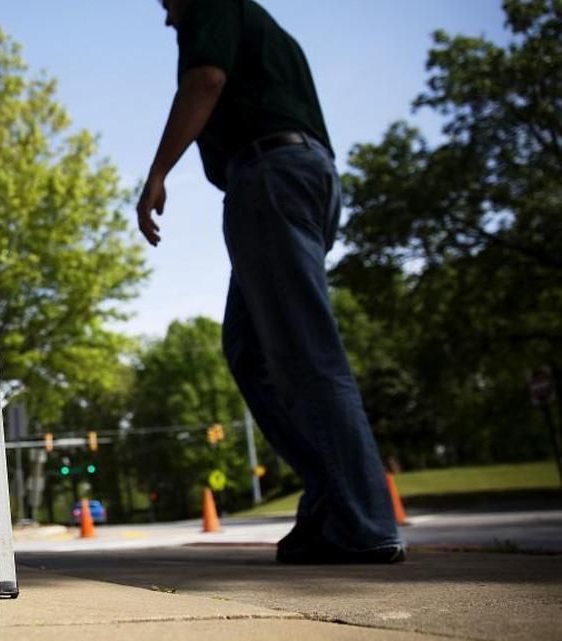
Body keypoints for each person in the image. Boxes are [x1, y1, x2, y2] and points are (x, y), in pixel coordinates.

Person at [136, 0, 405, 563]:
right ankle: (332, 501)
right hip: (301, 177)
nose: (164, 17)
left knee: (307, 350)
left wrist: (158, 172)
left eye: (164, 2)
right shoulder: (261, 27)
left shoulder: (213, 3)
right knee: (250, 350)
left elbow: (205, 78)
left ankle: (363, 522)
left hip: (271, 179)